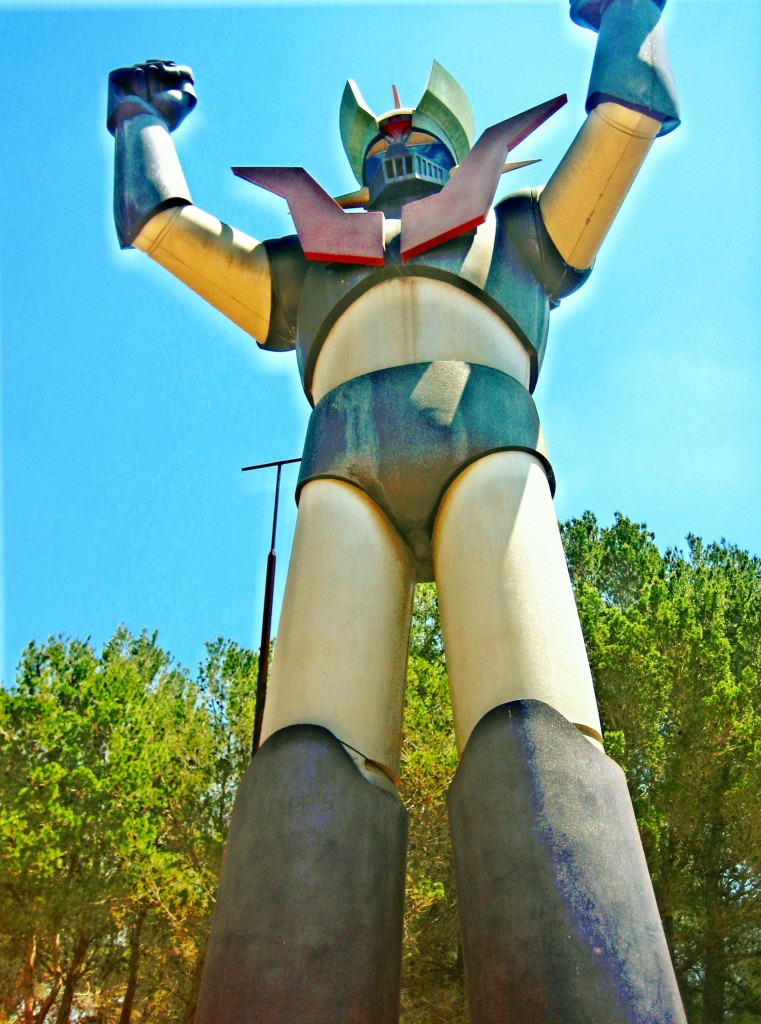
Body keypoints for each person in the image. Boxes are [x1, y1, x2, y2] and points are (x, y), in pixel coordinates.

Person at [107, 2, 686, 1021]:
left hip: (489, 442)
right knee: (310, 744)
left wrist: (632, 17)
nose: (396, 151)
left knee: (534, 729)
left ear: (457, 146)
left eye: (416, 137)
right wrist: (137, 125)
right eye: (380, 142)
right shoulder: (313, 267)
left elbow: (619, 126)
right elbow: (165, 228)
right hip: (344, 467)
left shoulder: (509, 235)